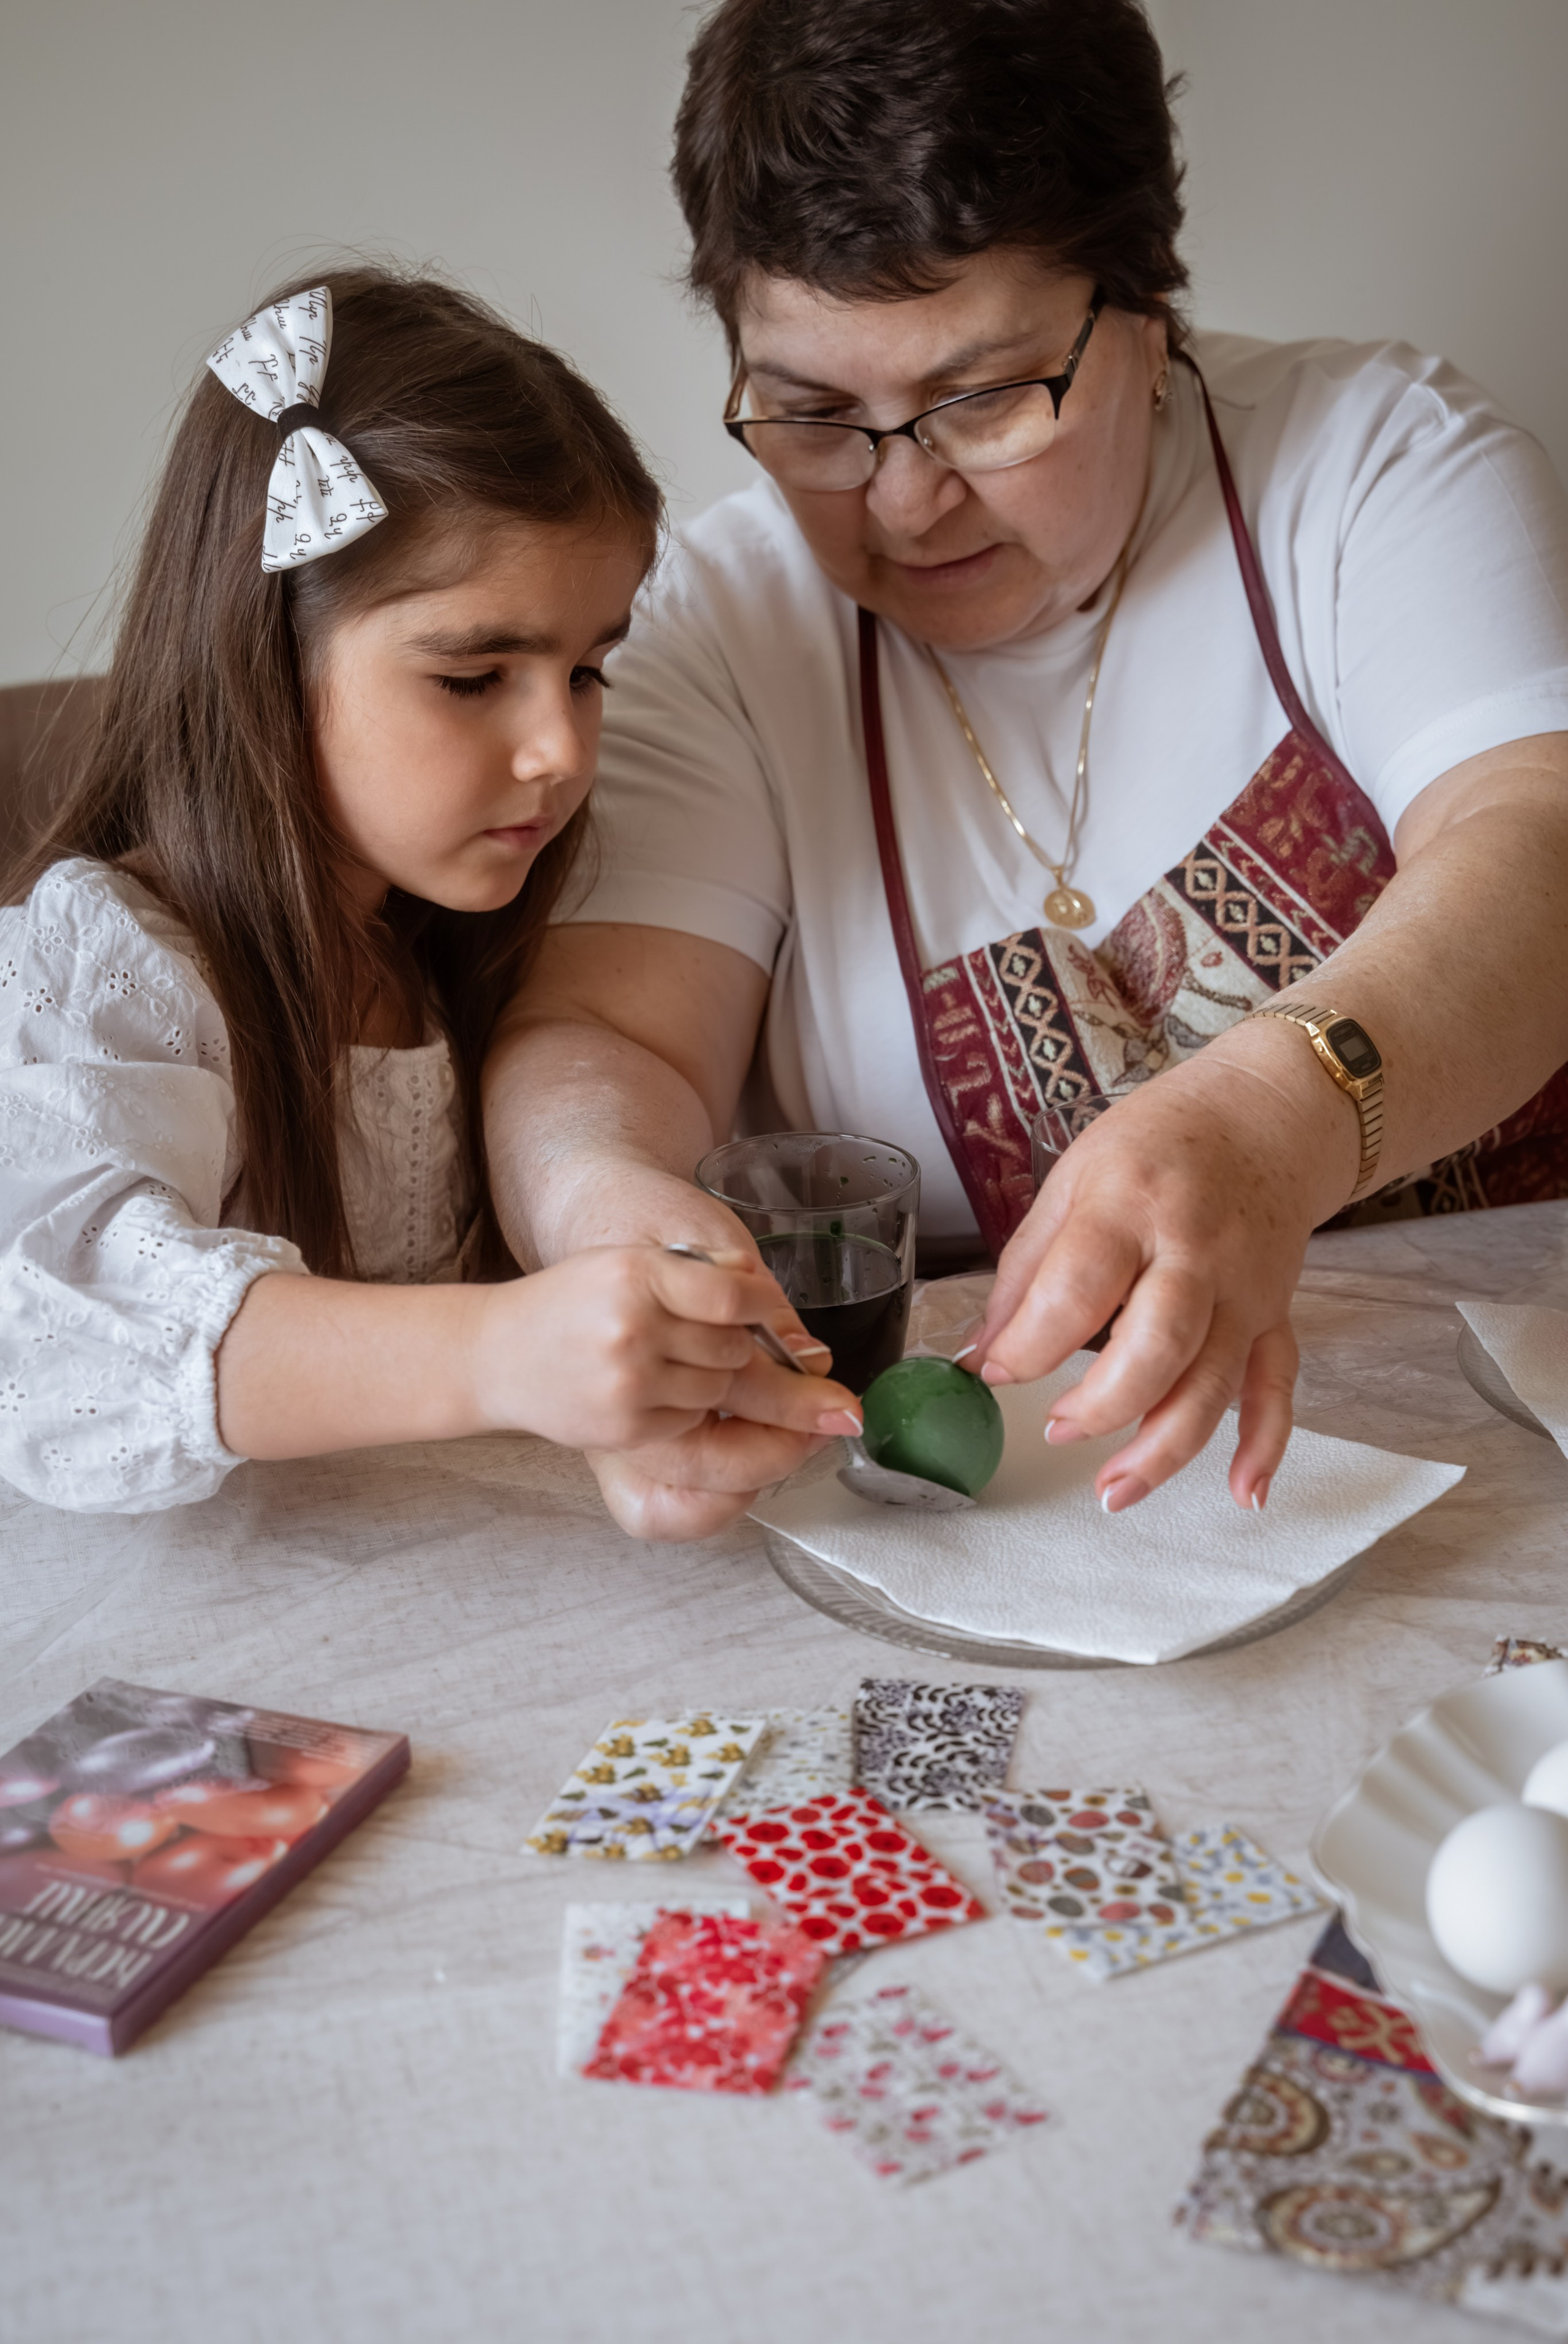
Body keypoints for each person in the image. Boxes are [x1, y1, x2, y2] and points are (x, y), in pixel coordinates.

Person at [483, 0, 1568, 1541]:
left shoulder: (1376, 462)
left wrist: (1270, 1113)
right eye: (811, 414)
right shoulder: (714, 622)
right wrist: (608, 1221)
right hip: (1042, 1505)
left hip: (1509, 1440)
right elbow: (607, 1036)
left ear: (1142, 312)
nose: (905, 498)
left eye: (982, 397)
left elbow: (1535, 841)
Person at [0, 267, 861, 1513]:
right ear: (264, 658)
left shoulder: (469, 955)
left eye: (586, 671)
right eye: (473, 676)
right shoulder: (108, 964)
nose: (559, 748)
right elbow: (51, 1337)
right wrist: (505, 1354)